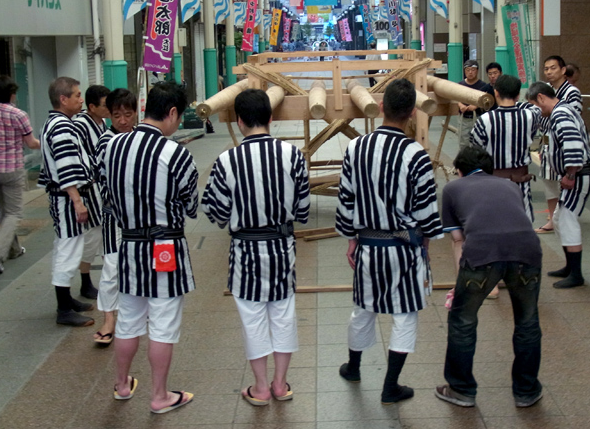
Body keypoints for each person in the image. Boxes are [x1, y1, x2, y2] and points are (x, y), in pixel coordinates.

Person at [336, 78, 443, 405]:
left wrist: (351, 239)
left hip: (368, 245)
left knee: (363, 309)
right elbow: (426, 209)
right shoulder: (416, 154)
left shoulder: (356, 148)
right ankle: (390, 385)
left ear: (381, 107)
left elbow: (346, 199)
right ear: (412, 112)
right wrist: (426, 243)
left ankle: (353, 368)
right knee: (405, 314)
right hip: (404, 248)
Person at [201, 89, 310, 407]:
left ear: (239, 120)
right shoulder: (292, 155)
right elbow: (302, 210)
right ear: (271, 118)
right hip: (281, 247)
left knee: (252, 318)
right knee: (283, 314)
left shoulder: (226, 160)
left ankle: (260, 387)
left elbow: (215, 212)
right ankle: (280, 384)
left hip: (245, 251)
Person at [104, 82, 198, 414]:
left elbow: (108, 199)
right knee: (162, 323)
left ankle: (122, 384)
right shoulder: (176, 153)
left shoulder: (112, 147)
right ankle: (159, 396)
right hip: (165, 247)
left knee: (128, 319)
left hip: (129, 245)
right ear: (172, 113)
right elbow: (191, 205)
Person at [435, 146, 543, 409]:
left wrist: (459, 284)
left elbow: (458, 239)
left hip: (481, 254)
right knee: (527, 321)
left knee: (462, 320)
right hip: (527, 252)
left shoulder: (452, 189)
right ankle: (526, 391)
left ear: (460, 170)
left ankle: (461, 389)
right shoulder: (510, 187)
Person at [38, 77, 102, 326]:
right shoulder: (62, 127)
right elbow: (66, 167)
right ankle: (63, 309)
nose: (80, 99)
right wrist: (77, 201)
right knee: (68, 250)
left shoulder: (55, 123)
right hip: (66, 199)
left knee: (67, 248)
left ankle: (66, 300)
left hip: (63, 197)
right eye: (76, 95)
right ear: (63, 99)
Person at [527, 81, 590, 289]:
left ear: (541, 98)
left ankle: (576, 274)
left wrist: (570, 174)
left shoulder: (561, 114)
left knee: (566, 220)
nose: (538, 111)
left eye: (535, 105)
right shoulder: (561, 111)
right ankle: (570, 267)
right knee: (559, 219)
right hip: (574, 174)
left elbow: (573, 145)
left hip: (578, 174)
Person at [0, 76, 40, 274]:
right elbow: (31, 143)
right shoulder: (19, 114)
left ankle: (14, 249)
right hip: (12, 169)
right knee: (14, 213)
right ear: (12, 94)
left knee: (4, 211)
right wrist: (46, 143)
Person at [92, 88, 137, 346]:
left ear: (135, 113)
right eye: (117, 115)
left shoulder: (140, 138)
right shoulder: (105, 142)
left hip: (139, 216)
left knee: (138, 264)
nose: (122, 120)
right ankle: (108, 319)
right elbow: (100, 179)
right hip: (114, 216)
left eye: (127, 114)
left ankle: (135, 313)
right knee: (111, 266)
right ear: (109, 114)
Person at [471, 74, 541, 223]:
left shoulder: (484, 120)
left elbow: (475, 150)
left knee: (494, 223)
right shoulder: (530, 116)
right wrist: (515, 102)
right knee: (522, 224)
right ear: (518, 95)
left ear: (496, 92)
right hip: (520, 182)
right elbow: (535, 107)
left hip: (492, 182)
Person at [72, 84, 111, 300]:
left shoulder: (102, 123)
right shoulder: (81, 125)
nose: (109, 109)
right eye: (105, 105)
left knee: (105, 234)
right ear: (92, 106)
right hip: (88, 189)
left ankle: (111, 277)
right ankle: (85, 280)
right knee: (92, 235)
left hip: (102, 188)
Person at [536, 55, 582, 234]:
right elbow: (539, 114)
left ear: (563, 70)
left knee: (563, 182)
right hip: (546, 141)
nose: (549, 72)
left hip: (563, 142)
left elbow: (573, 117)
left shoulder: (572, 92)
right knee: (548, 182)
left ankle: (563, 218)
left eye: (553, 68)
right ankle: (552, 218)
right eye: (546, 68)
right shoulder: (545, 89)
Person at [458, 60, 493, 150]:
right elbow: (456, 97)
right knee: (463, 143)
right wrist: (460, 105)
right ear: (464, 71)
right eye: (468, 70)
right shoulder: (460, 84)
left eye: (473, 70)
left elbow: (487, 101)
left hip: (478, 118)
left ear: (477, 71)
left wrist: (476, 105)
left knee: (478, 142)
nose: (470, 72)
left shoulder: (483, 86)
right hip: (464, 118)